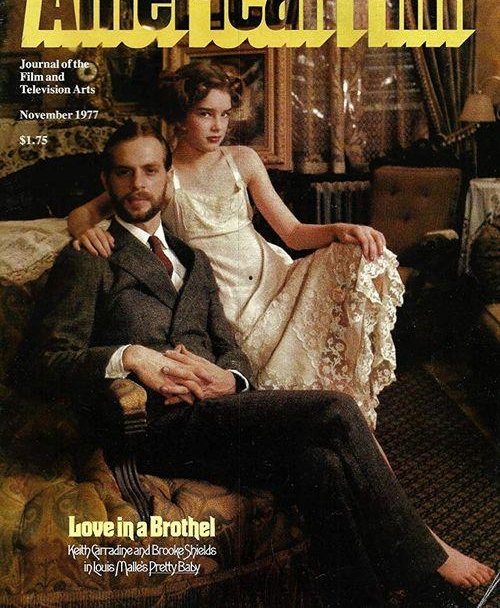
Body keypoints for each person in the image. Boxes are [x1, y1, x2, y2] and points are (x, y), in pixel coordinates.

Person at [38, 121, 493, 607]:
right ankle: (423, 559)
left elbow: (230, 348)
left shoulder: (194, 260)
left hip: (216, 418)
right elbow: (42, 364)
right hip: (152, 429)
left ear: (169, 178)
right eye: (124, 173)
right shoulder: (89, 258)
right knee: (336, 409)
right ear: (106, 181)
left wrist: (231, 379)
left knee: (320, 463)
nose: (138, 184)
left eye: (150, 171)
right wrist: (130, 355)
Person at [68, 63, 405, 427]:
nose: (218, 126)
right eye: (205, 114)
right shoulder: (160, 174)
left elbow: (292, 232)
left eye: (225, 114)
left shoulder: (242, 160)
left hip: (276, 281)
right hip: (226, 305)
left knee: (360, 256)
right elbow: (83, 213)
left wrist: (339, 228)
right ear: (180, 117)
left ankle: (349, 421)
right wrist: (85, 231)